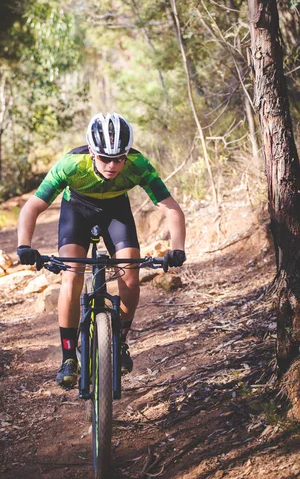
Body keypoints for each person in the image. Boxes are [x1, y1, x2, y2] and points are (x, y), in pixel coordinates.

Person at [17, 112, 186, 388]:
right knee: (72, 275)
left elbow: (170, 207)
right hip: (77, 212)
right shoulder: (71, 165)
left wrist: (177, 248)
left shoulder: (137, 165)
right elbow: (33, 206)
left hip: (115, 212)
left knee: (130, 276)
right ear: (92, 152)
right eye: (105, 158)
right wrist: (24, 245)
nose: (112, 165)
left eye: (119, 158)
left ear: (127, 154)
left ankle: (119, 342)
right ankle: (69, 356)